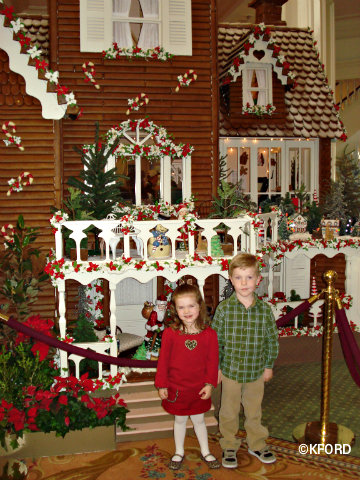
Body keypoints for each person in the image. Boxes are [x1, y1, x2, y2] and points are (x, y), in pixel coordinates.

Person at [212, 253, 279, 468]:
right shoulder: (224, 309)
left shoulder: (264, 311)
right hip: (230, 370)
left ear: (258, 280)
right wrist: (218, 368)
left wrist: (268, 365)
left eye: (249, 277)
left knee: (253, 410)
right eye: (239, 277)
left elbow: (272, 341)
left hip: (256, 371)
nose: (244, 283)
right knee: (229, 410)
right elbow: (216, 342)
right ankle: (229, 444)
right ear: (230, 279)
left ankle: (256, 443)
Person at [155, 284, 220, 470]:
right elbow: (163, 362)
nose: (187, 311)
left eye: (191, 306)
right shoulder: (170, 334)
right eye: (181, 307)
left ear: (199, 306)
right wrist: (162, 385)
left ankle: (206, 451)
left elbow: (212, 362)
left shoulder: (209, 335)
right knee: (180, 420)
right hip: (177, 388)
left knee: (199, 420)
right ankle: (179, 451)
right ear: (175, 310)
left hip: (198, 388)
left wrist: (209, 384)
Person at [144, 295, 167, 359]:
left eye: (163, 306)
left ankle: (158, 348)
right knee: (149, 336)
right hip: (152, 325)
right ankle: (147, 347)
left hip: (159, 325)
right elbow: (152, 320)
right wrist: (155, 327)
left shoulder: (163, 311)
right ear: (157, 305)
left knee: (160, 336)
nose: (162, 307)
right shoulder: (154, 312)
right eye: (160, 306)